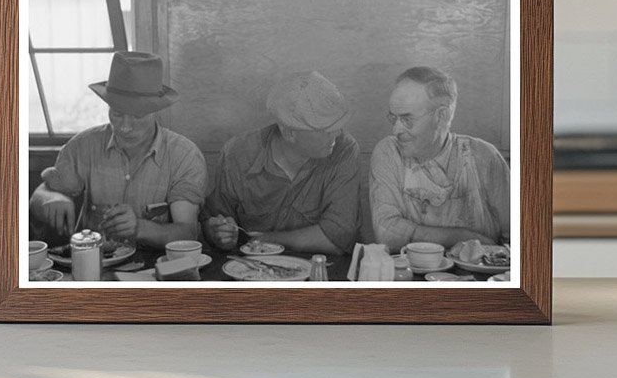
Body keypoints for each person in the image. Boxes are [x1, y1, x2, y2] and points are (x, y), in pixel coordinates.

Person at [29, 51, 207, 249]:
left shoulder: (184, 156)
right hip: (93, 266)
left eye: (137, 116)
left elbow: (188, 233)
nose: (125, 126)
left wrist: (140, 228)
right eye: (117, 113)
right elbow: (40, 194)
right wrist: (49, 198)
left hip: (157, 270)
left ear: (156, 111)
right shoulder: (84, 144)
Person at [203, 71, 361, 256]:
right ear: (289, 133)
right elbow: (213, 224)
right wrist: (219, 234)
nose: (337, 133)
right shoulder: (237, 154)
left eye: (338, 124)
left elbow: (339, 240)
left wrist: (265, 239)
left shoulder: (345, 150)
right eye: (326, 129)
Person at [369, 66, 510, 254]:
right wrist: (461, 237)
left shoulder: (484, 157)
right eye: (393, 118)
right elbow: (387, 233)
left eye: (407, 119)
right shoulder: (388, 152)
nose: (396, 130)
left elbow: (519, 237)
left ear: (441, 116)